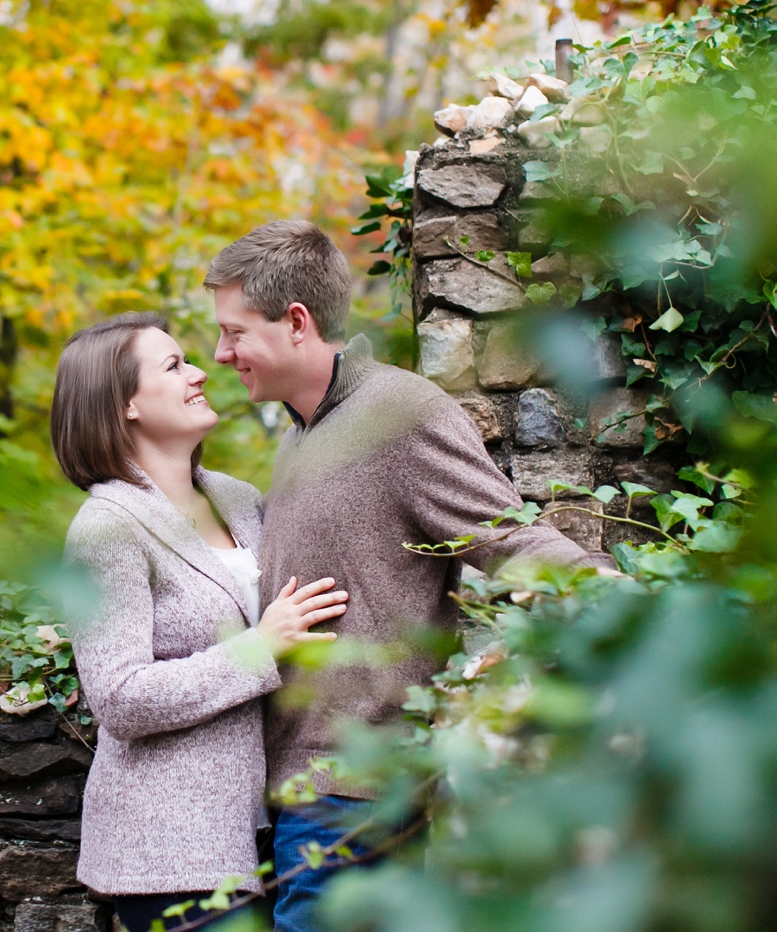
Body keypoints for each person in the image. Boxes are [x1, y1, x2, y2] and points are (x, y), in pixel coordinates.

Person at [204, 220, 615, 932]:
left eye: (235, 332)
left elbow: (504, 535)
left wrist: (622, 602)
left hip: (354, 792)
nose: (220, 352)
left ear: (296, 322)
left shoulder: (399, 411)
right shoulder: (301, 435)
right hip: (296, 792)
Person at [51, 312, 348, 932]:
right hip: (171, 850)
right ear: (124, 404)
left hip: (272, 829)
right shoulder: (106, 529)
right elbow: (119, 698)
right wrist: (259, 647)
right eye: (173, 365)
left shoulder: (239, 498)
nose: (199, 372)